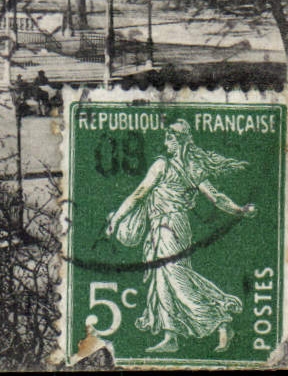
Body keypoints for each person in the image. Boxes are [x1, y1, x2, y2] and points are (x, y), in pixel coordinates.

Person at [104, 120, 255, 353]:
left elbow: (139, 194)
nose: (166, 143)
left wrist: (116, 219)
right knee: (162, 279)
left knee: (175, 277)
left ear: (179, 141)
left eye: (169, 139)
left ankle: (220, 320)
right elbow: (216, 198)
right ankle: (170, 336)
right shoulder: (190, 167)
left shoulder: (163, 166)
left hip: (169, 226)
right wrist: (239, 210)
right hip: (167, 228)